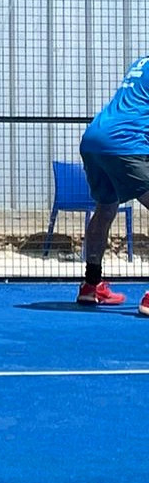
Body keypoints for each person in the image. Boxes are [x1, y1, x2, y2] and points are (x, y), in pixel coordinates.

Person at [77, 52, 149, 311]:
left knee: (106, 209)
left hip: (95, 138)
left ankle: (91, 285)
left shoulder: (141, 63)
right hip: (124, 143)